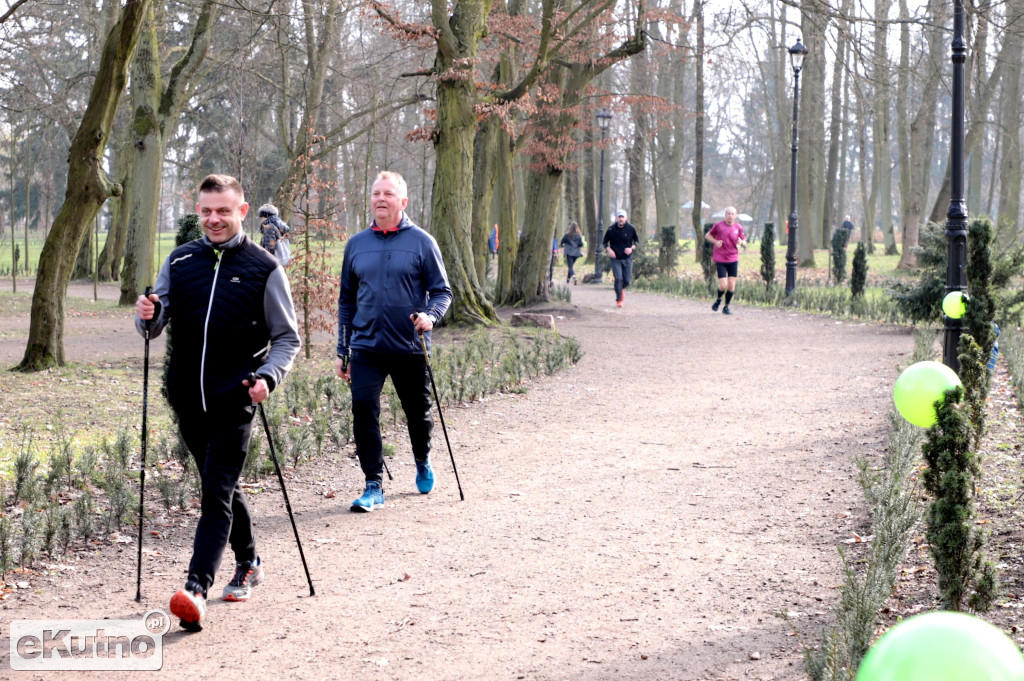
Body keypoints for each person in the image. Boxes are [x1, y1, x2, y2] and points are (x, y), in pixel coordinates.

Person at [135, 174, 300, 631]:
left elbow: (288, 338)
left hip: (236, 397)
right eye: (206, 210)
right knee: (221, 485)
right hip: (188, 398)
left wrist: (268, 376)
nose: (213, 219)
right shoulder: (180, 259)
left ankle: (194, 589)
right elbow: (154, 322)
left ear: (242, 212)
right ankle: (249, 561)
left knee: (214, 491)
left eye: (223, 211)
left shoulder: (265, 267)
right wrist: (147, 314)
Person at [335, 171, 453, 513]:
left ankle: (422, 458)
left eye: (388, 193)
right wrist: (343, 350)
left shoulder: (422, 242)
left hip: (409, 347)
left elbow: (442, 292)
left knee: (418, 413)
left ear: (403, 201)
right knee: (363, 410)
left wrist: (430, 316)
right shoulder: (356, 245)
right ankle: (373, 485)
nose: (381, 199)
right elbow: (347, 301)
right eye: (376, 193)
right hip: (367, 347)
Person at [706, 206, 747, 315]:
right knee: (723, 285)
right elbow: (707, 236)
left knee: (731, 286)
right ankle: (718, 300)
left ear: (736, 216)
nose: (730, 215)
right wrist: (715, 242)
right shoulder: (718, 226)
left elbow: (744, 241)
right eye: (728, 213)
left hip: (733, 259)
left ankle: (726, 307)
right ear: (725, 215)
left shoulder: (738, 227)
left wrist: (742, 243)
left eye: (732, 214)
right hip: (721, 259)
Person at [602, 210, 640, 308]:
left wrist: (631, 248)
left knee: (627, 281)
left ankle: (620, 289)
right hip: (615, 258)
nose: (621, 219)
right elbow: (605, 242)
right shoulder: (611, 229)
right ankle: (619, 299)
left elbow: (637, 242)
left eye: (622, 217)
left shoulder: (631, 228)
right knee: (618, 278)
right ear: (616, 218)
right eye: (619, 217)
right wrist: (609, 250)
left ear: (626, 218)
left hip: (627, 258)